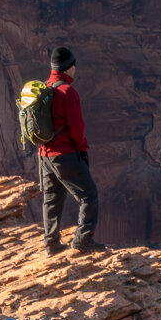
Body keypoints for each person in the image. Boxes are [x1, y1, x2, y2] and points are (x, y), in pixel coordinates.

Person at [39, 46, 100, 259]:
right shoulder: (67, 92)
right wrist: (82, 150)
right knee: (88, 195)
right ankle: (82, 239)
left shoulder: (44, 88)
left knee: (52, 198)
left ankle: (52, 244)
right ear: (69, 67)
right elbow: (76, 130)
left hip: (44, 156)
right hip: (64, 155)